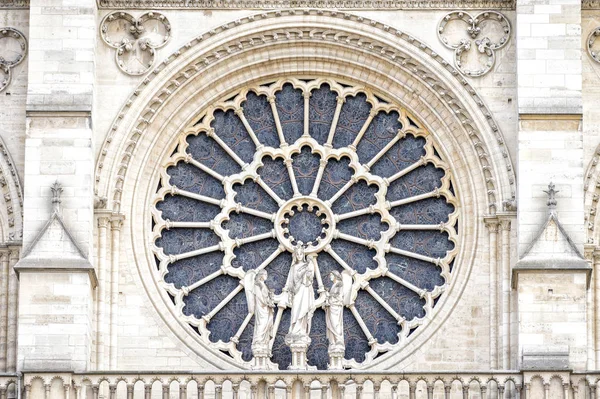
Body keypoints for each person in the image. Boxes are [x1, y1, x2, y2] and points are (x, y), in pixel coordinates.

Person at [284, 245, 315, 345]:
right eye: (297, 254)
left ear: (304, 254)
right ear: (295, 255)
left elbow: (310, 277)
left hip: (305, 289)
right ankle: (295, 330)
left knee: (303, 310)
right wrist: (289, 292)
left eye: (301, 254)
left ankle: (301, 330)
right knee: (296, 311)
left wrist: (310, 269)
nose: (299, 256)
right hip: (296, 292)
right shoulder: (293, 267)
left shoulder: (307, 266)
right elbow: (290, 281)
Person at [325, 271, 345, 349]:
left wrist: (328, 294)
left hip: (336, 306)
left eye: (331, 275)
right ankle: (334, 340)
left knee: (335, 323)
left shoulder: (339, 284)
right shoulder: (334, 285)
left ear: (335, 276)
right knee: (332, 323)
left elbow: (338, 295)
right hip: (332, 306)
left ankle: (338, 339)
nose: (330, 277)